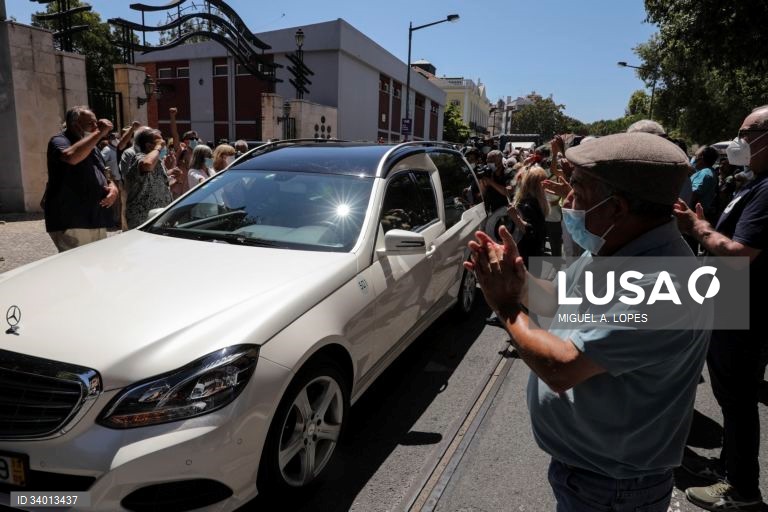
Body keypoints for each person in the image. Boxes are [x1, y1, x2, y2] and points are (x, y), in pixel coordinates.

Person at [467, 132, 710, 511]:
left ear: (618, 207)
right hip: (589, 476)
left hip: (613, 489)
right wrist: (519, 281)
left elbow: (562, 366)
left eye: (578, 190)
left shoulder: (665, 287)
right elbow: (560, 298)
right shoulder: (615, 248)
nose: (568, 202)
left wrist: (507, 307)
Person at [675, 105, 768, 511]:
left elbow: (738, 253)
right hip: (732, 304)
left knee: (737, 399)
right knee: (733, 396)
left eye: (746, 132)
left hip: (745, 310)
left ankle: (743, 490)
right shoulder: (756, 184)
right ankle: (731, 470)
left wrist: (698, 229)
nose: (738, 140)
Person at [44, 106, 118, 251]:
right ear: (75, 124)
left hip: (95, 217)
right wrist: (98, 133)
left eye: (97, 123)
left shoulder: (93, 147)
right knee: (77, 268)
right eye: (91, 123)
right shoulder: (59, 140)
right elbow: (71, 157)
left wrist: (113, 187)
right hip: (72, 218)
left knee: (97, 263)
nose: (96, 127)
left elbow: (103, 172)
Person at [124, 128, 173, 229]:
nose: (164, 146)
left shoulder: (158, 161)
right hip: (142, 219)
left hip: (159, 217)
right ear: (149, 145)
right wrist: (158, 147)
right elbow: (147, 165)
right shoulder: (139, 158)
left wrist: (172, 175)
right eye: (160, 142)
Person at [511, 166, 549, 266]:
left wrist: (515, 216)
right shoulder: (538, 200)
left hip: (527, 253)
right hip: (536, 251)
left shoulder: (528, 203)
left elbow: (529, 231)